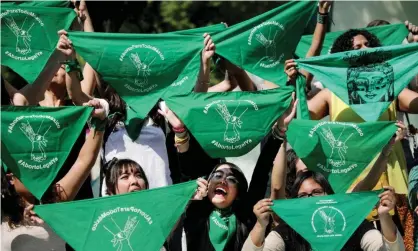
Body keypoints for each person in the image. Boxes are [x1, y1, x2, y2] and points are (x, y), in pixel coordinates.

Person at [243, 170, 405, 251]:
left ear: (331, 196)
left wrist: (384, 217)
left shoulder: (353, 226)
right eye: (302, 196)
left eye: (317, 193)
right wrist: (260, 225)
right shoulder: (286, 233)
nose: (311, 200)